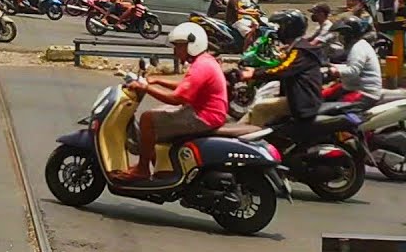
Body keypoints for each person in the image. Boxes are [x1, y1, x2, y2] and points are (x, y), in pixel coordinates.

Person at [113, 22, 229, 181]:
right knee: (158, 115)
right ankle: (161, 167)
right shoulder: (205, 61)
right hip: (207, 113)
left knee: (148, 119)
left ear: (192, 45)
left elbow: (177, 98)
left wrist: (145, 87)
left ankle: (143, 169)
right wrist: (157, 81)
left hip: (204, 117)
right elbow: (186, 86)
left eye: (179, 46)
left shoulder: (201, 66)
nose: (175, 51)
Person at [241, 10, 326, 127]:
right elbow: (278, 66)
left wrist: (254, 73)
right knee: (255, 108)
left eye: (281, 27)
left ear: (289, 28)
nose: (278, 31)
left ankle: (256, 142)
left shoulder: (301, 50)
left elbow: (283, 69)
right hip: (295, 97)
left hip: (301, 102)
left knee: (260, 108)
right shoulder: (297, 46)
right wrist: (255, 71)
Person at [324, 16, 383, 104]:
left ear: (349, 34)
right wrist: (330, 65)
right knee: (324, 95)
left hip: (365, 93)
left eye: (342, 34)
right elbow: (351, 66)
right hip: (352, 87)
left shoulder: (358, 48)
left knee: (330, 109)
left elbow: (353, 71)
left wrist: (336, 71)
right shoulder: (356, 45)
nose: (340, 37)